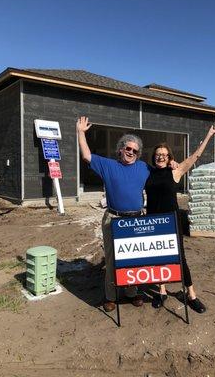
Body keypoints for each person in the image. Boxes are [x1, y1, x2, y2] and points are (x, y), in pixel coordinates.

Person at [145, 125, 215, 312]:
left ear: (170, 157)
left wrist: (209, 135)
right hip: (152, 223)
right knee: (158, 258)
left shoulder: (176, 171)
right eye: (158, 154)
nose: (160, 157)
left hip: (171, 222)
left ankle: (191, 294)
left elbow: (195, 156)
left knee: (180, 258)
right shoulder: (148, 172)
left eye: (164, 154)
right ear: (153, 156)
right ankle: (162, 291)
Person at [77, 116, 151, 312]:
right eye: (128, 149)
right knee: (111, 259)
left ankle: (131, 292)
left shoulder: (143, 168)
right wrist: (80, 133)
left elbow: (160, 173)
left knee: (133, 258)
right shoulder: (108, 165)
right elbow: (86, 156)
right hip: (114, 219)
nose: (131, 152)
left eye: (135, 151)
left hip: (135, 219)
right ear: (121, 149)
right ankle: (110, 295)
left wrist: (172, 164)